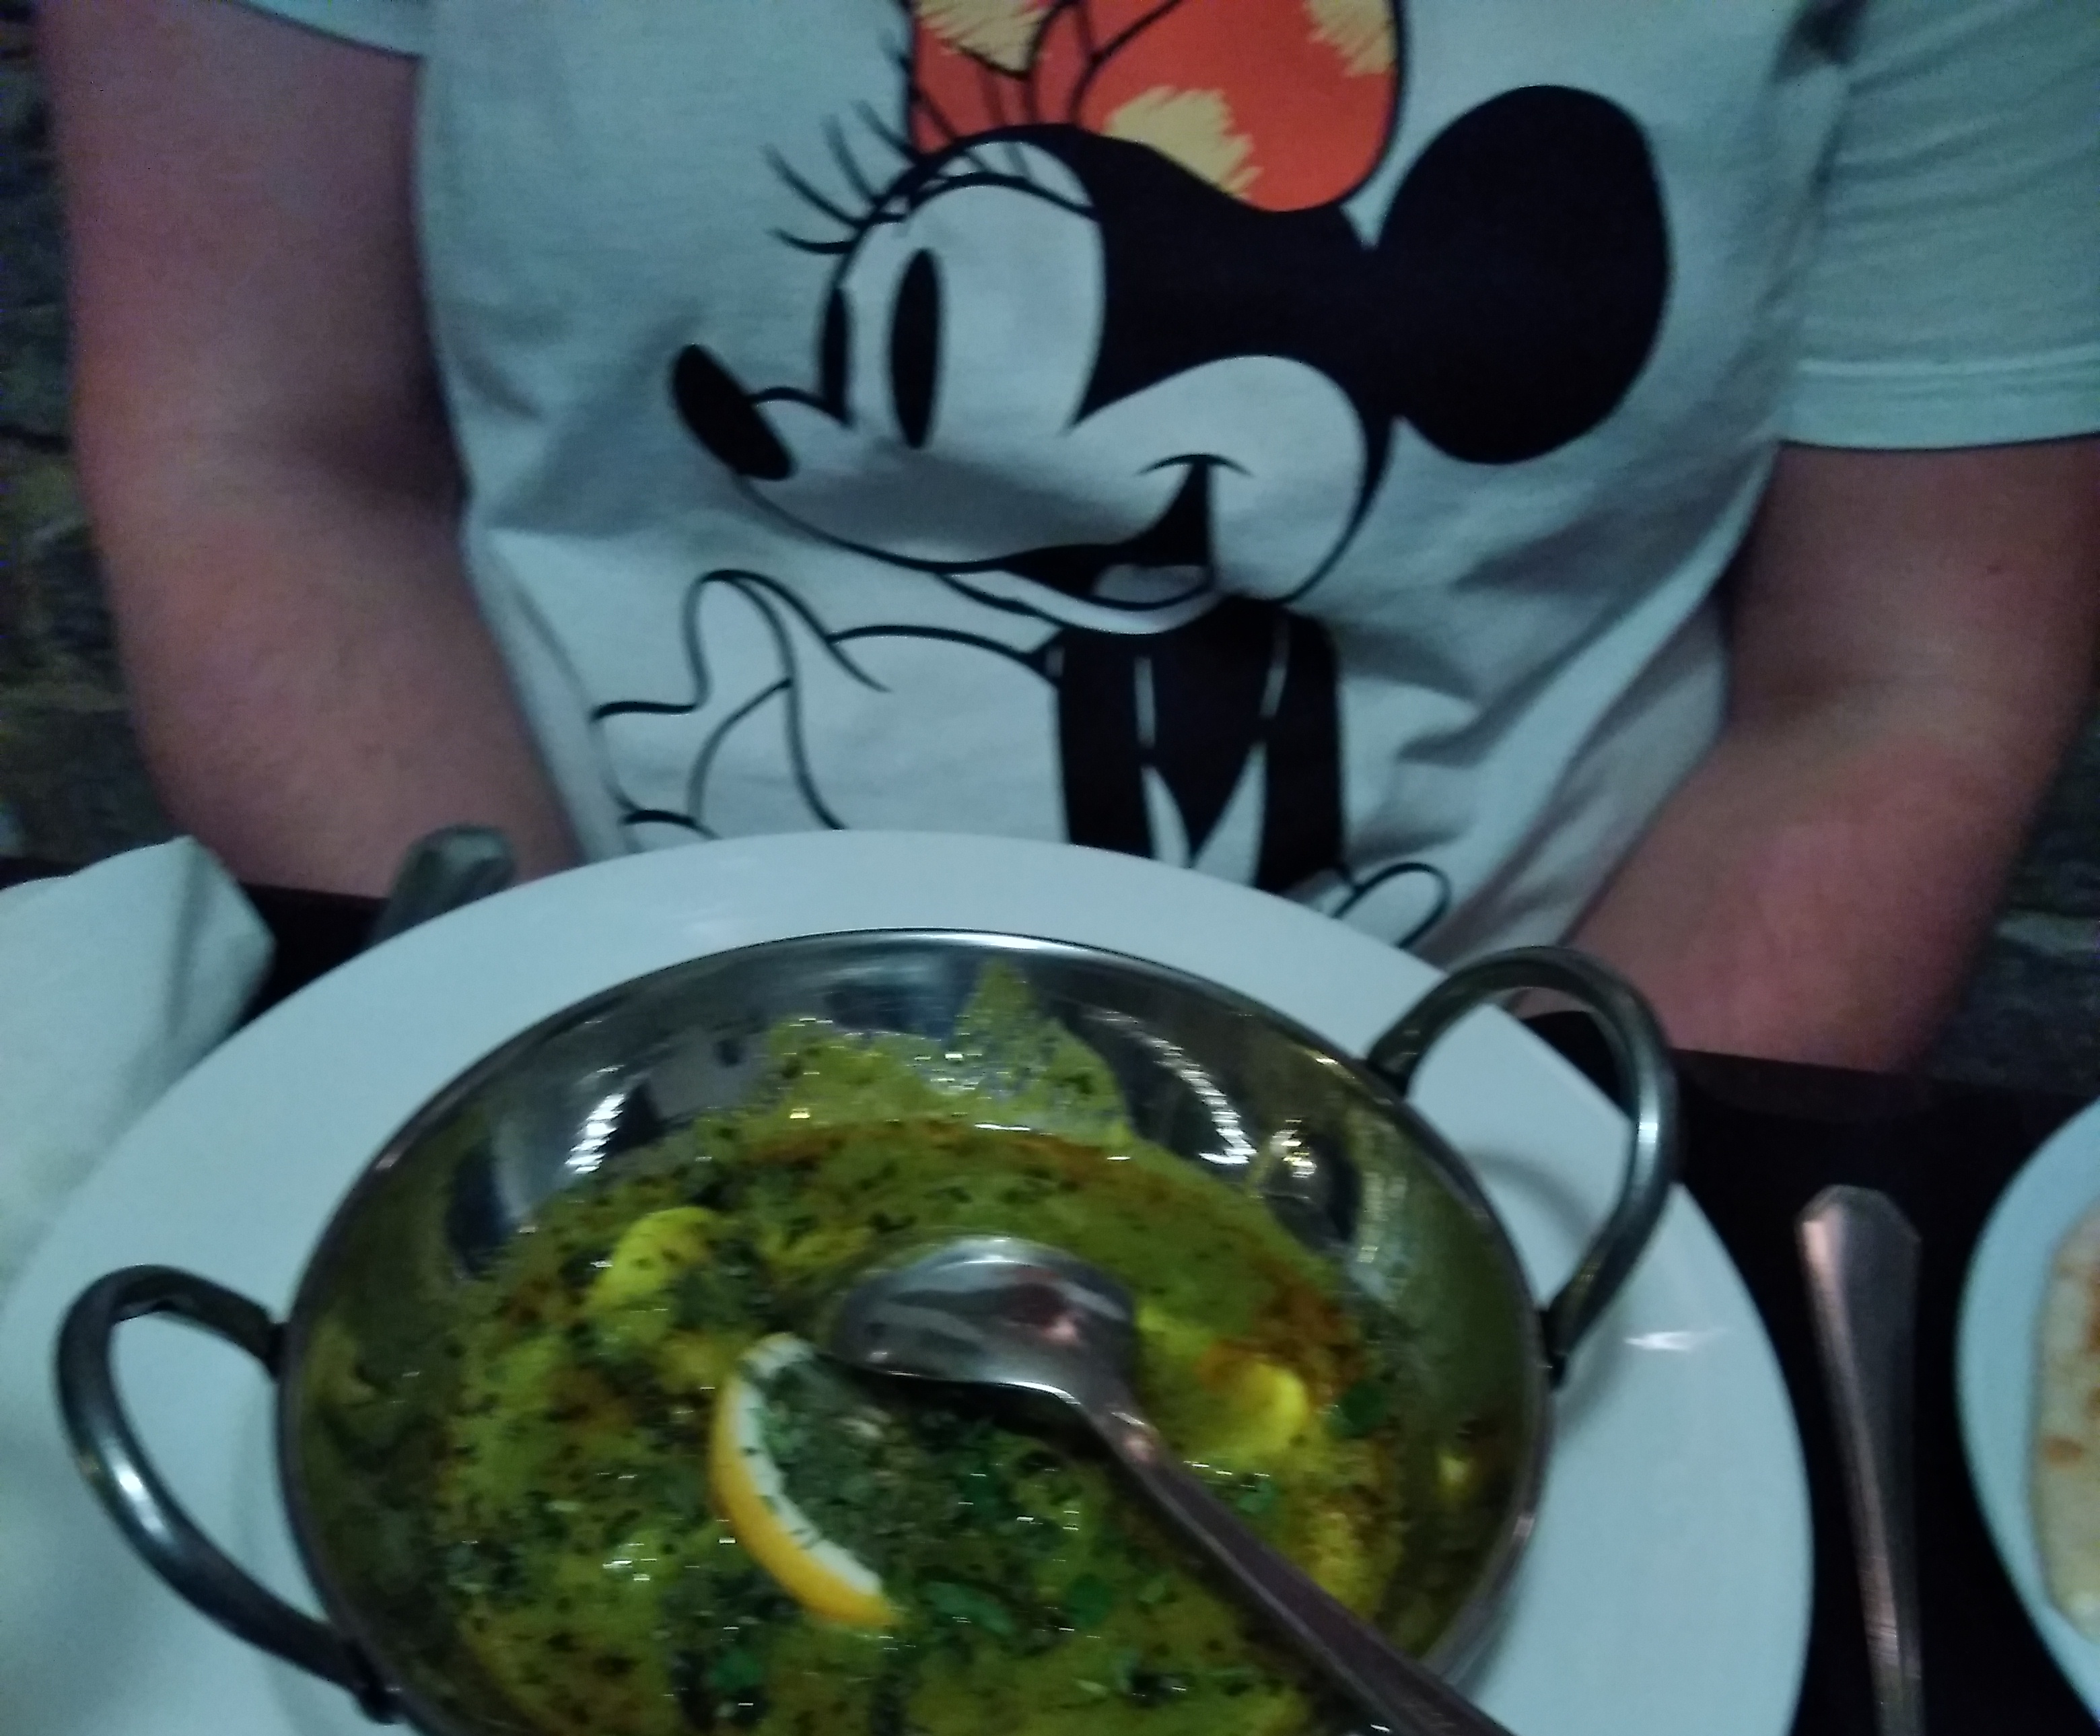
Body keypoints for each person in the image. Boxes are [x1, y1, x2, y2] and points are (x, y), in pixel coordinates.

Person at [38, 0, 2100, 1068]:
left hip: (1498, 1047)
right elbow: (265, 450)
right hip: (552, 974)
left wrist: (1511, 1201)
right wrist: (551, 1078)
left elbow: (1898, 678)